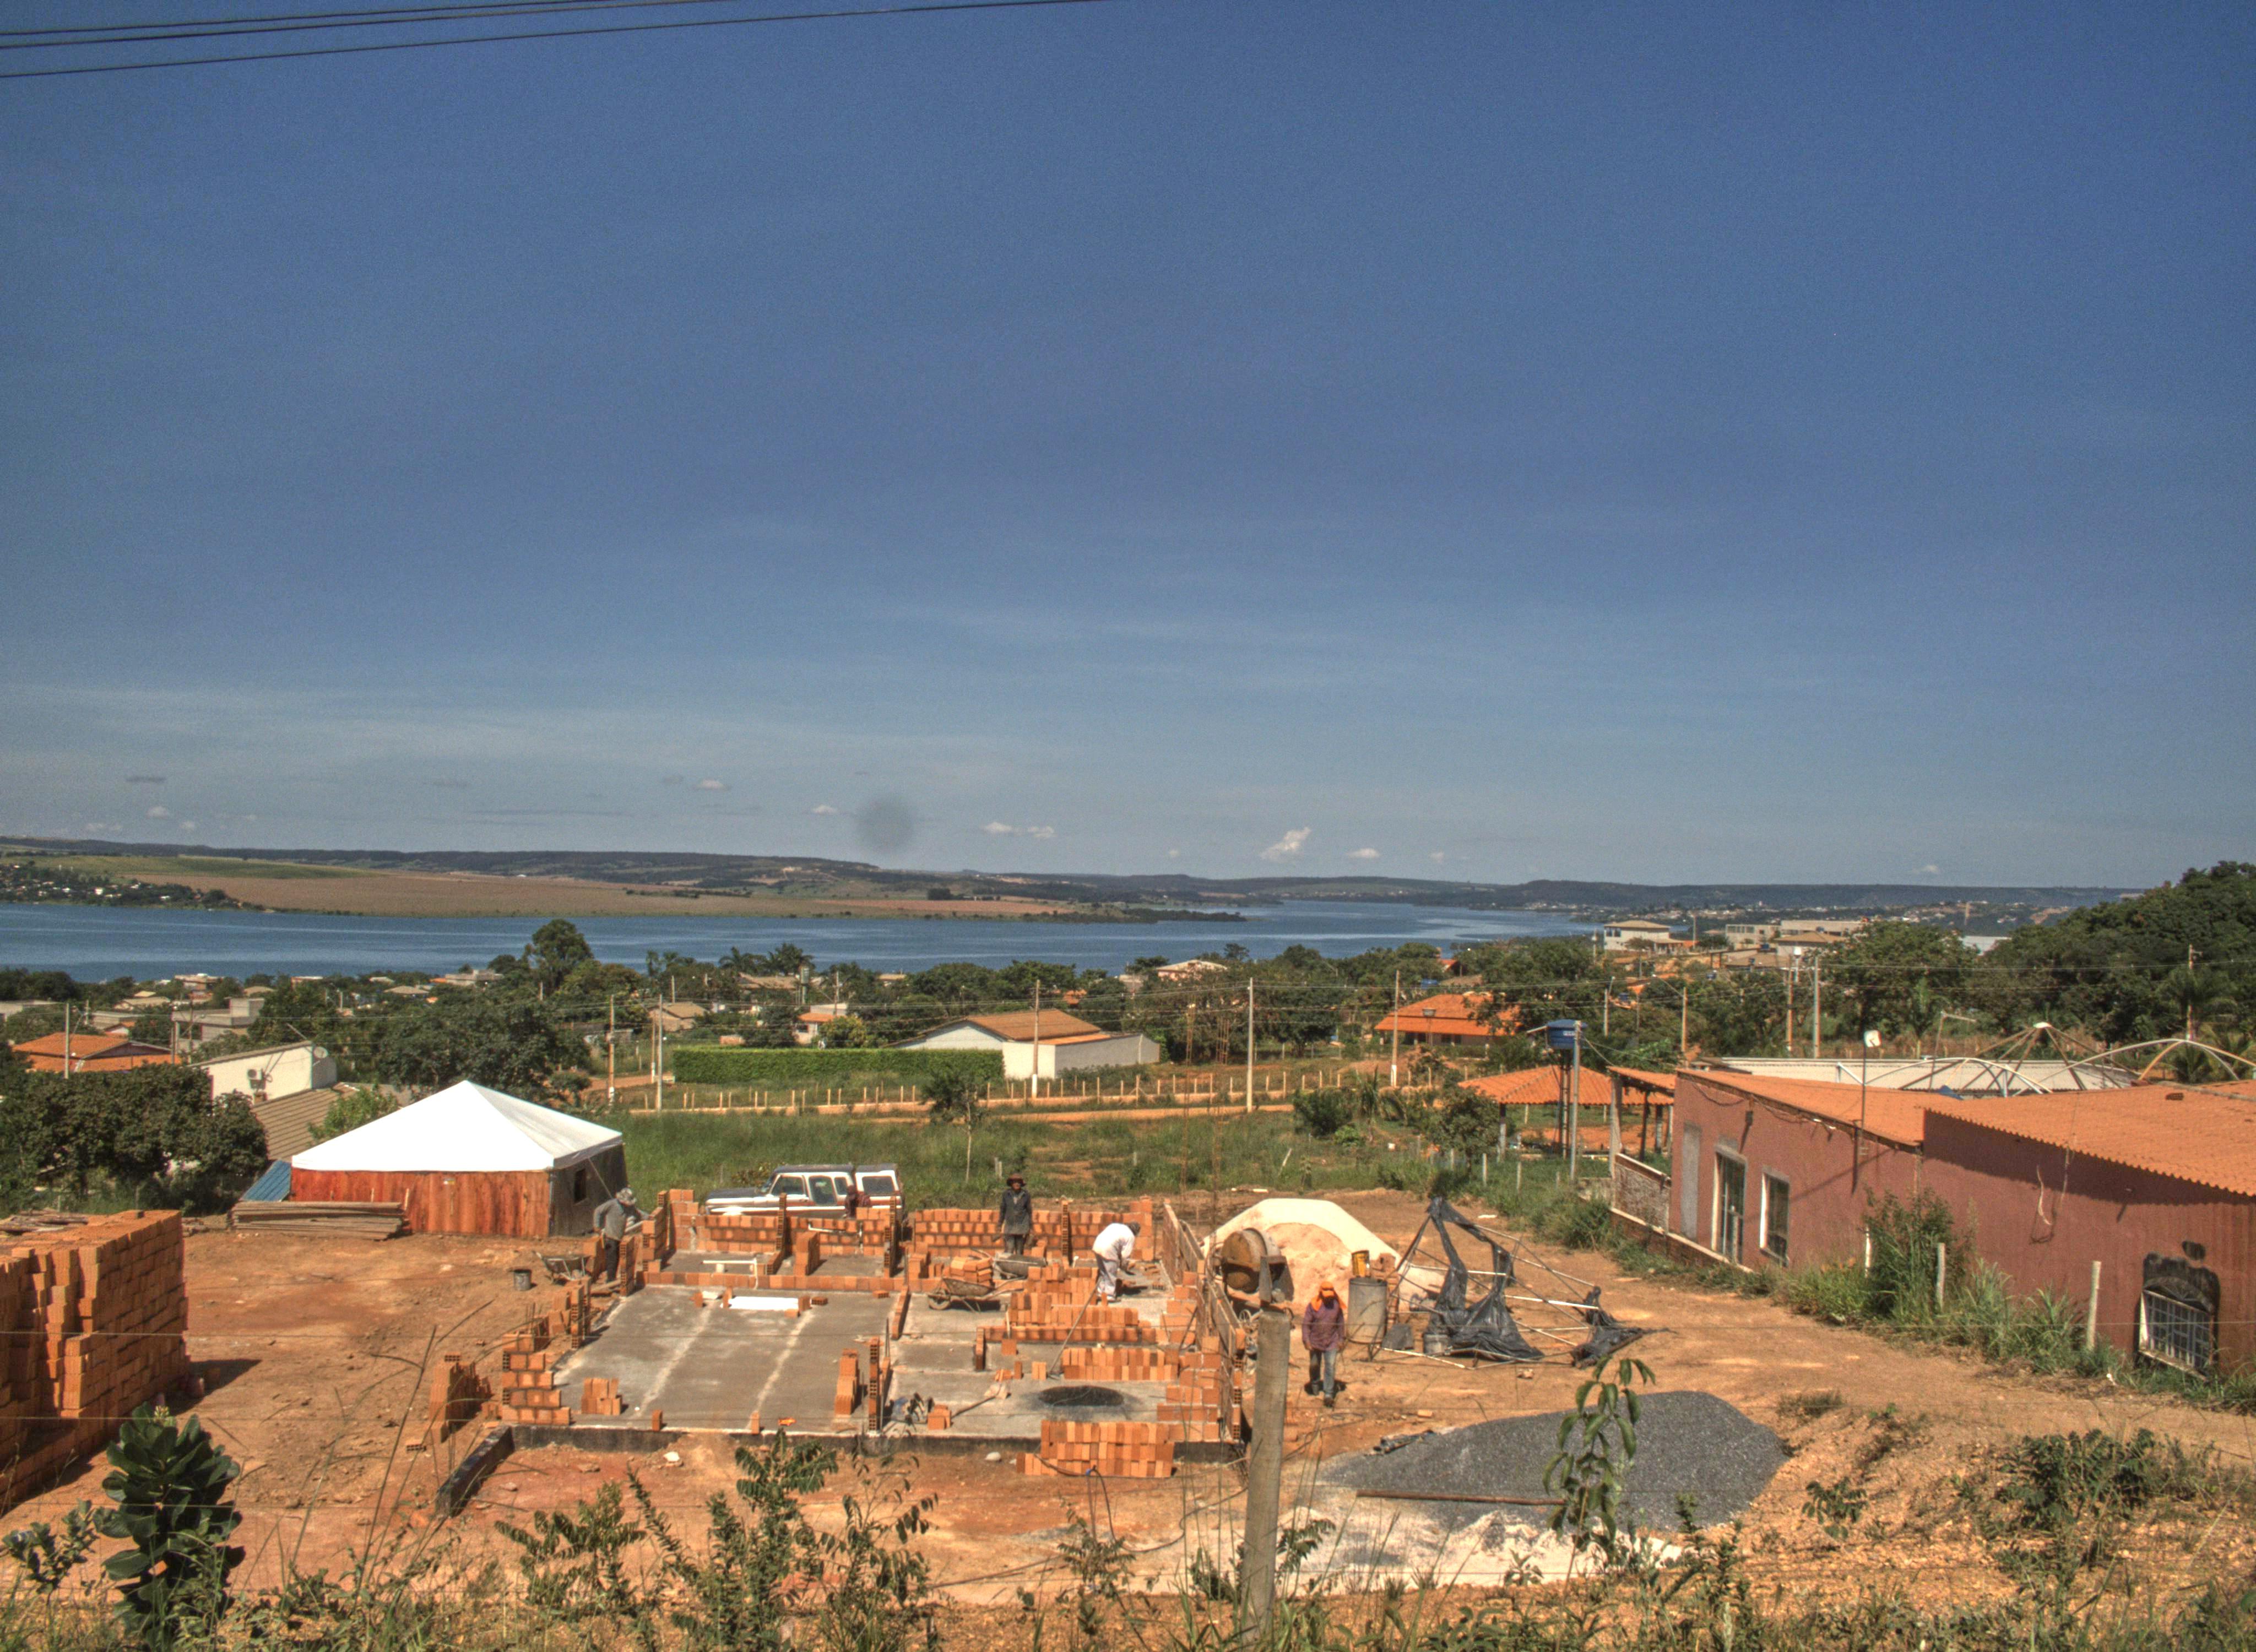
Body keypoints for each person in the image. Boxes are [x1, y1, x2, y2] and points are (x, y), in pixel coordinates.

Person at [1301, 1281, 1346, 1407]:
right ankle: (1315, 1385)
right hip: (1315, 1342)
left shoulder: (1336, 1306)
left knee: (1330, 1366)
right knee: (1314, 1365)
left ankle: (1328, 1394)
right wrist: (1306, 1341)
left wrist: (1341, 1340)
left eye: (1330, 1296)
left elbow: (1340, 1324)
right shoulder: (1313, 1306)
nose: (1328, 1299)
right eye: (1326, 1296)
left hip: (1332, 1342)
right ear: (1321, 1294)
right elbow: (1306, 1325)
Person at [592, 1187, 642, 1284]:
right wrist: (596, 1226)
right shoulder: (612, 1204)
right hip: (609, 1237)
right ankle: (610, 1280)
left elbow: (638, 1214)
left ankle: (612, 1279)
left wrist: (650, 1217)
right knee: (612, 1259)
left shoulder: (629, 1208)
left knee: (617, 1258)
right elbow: (598, 1211)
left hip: (619, 1237)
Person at [1092, 1218, 1140, 1302]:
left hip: (1097, 1246)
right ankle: (1109, 1297)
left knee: (1103, 1273)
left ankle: (1100, 1294)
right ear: (1136, 1232)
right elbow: (1125, 1256)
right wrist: (1124, 1267)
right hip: (1108, 1250)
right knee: (1111, 1275)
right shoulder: (1130, 1236)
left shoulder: (1116, 1225)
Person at [999, 1173, 1034, 1257]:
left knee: (1019, 1251)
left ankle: (1018, 1265)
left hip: (1022, 1226)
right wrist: (999, 1225)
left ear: (1021, 1184)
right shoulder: (1006, 1194)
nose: (1017, 1184)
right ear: (1011, 1184)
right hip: (1010, 1226)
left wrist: (1031, 1227)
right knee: (1009, 1250)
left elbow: (1029, 1211)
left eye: (1019, 1182)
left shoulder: (1026, 1195)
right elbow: (1003, 1210)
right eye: (1015, 1182)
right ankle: (1008, 1265)